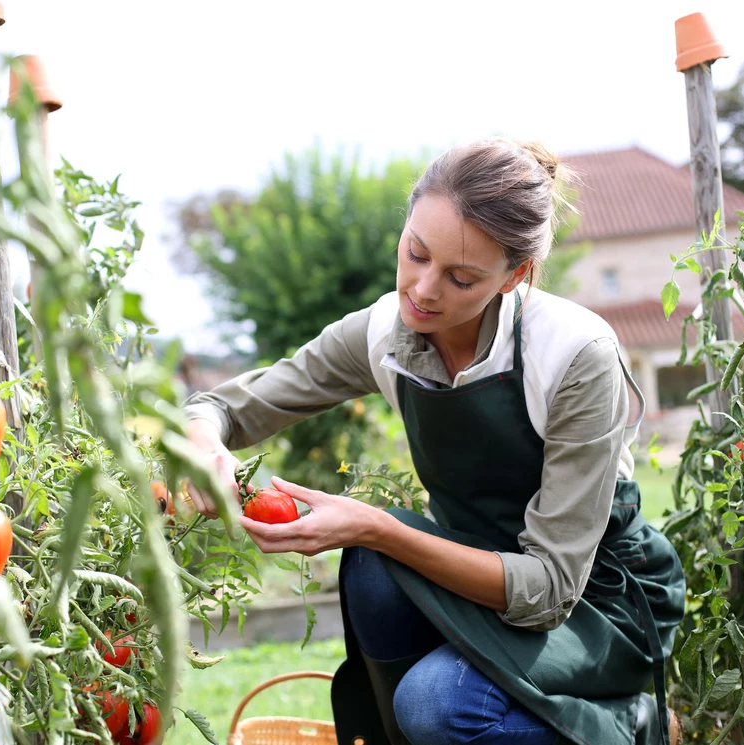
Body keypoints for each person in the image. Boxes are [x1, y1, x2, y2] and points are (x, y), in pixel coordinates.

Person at [182, 137, 686, 745]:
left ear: (513, 275)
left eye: (461, 278)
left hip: (591, 604)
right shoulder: (386, 333)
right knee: (373, 568)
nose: (422, 290)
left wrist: (376, 525)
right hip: (475, 575)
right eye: (415, 253)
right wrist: (204, 444)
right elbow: (218, 406)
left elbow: (549, 588)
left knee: (434, 702)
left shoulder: (575, 355)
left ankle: (630, 726)